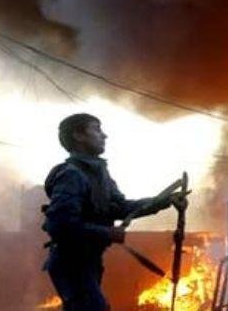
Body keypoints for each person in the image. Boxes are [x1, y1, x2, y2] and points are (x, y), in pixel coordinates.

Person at [42, 113, 187, 310]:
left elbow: (120, 207)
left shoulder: (99, 174)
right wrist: (107, 233)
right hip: (71, 262)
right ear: (79, 135)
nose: (104, 136)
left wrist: (163, 201)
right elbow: (60, 224)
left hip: (88, 260)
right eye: (97, 129)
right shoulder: (71, 175)